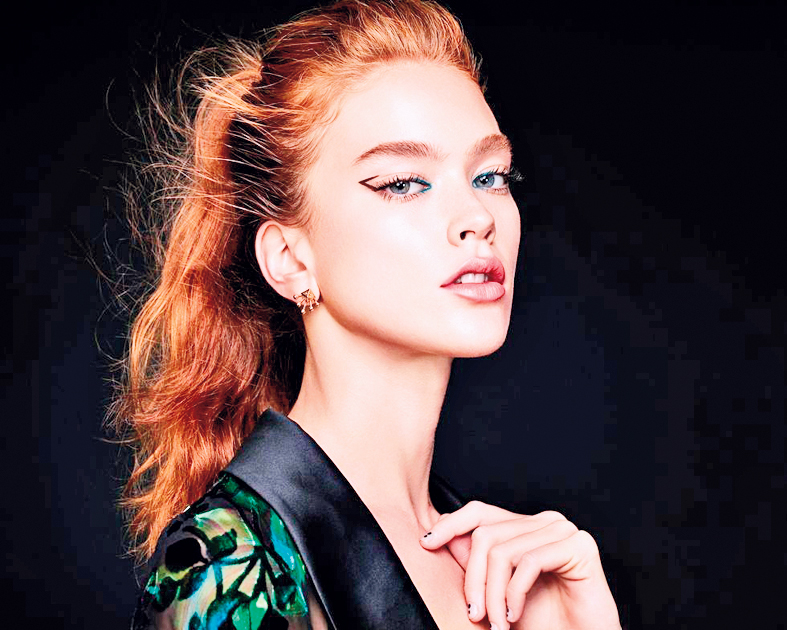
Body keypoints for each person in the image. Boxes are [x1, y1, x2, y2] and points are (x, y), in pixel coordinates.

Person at [114, 1, 622, 628]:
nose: (478, 217)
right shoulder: (227, 570)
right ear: (290, 259)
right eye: (404, 182)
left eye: (491, 175)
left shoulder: (499, 569)